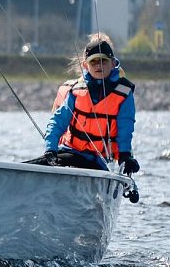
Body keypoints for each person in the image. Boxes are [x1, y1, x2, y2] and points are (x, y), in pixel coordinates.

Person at [42, 36, 139, 174]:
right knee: (39, 164)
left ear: (113, 63)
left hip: (97, 162)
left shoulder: (124, 94)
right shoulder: (76, 91)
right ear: (85, 65)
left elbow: (125, 129)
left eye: (103, 61)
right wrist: (50, 149)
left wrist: (125, 156)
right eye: (93, 62)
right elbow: (57, 122)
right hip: (69, 152)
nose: (98, 65)